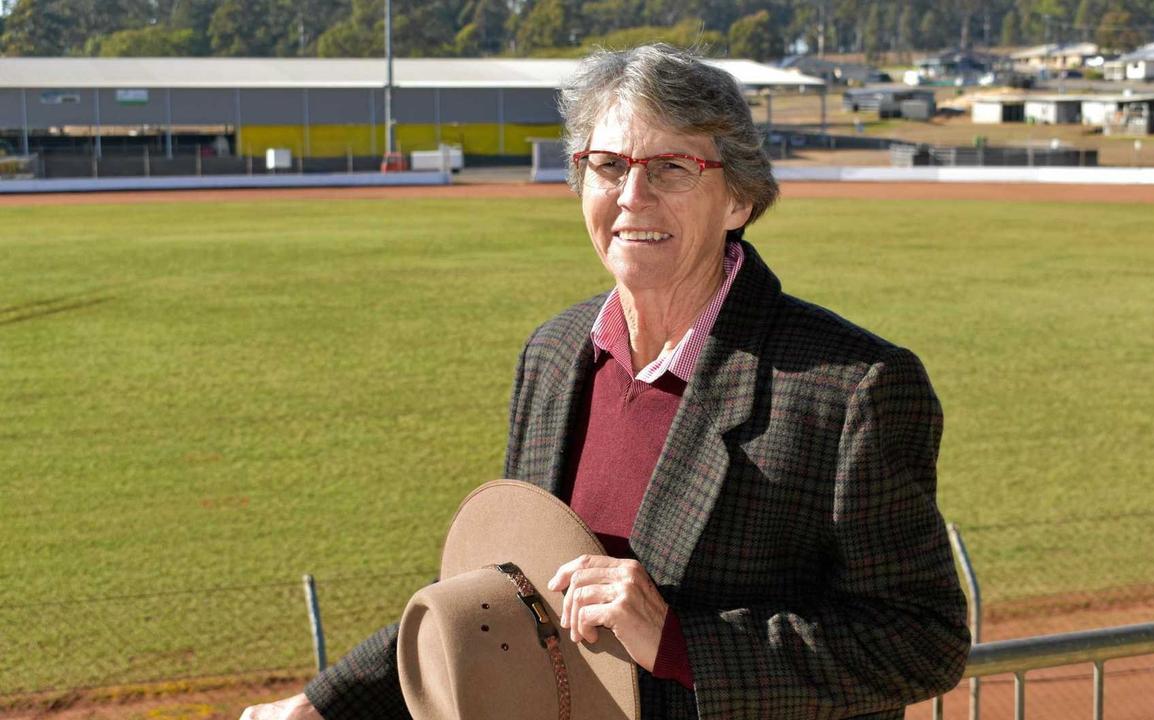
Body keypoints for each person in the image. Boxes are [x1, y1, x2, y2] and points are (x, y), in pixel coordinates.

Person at [243, 44, 969, 720]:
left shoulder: (850, 389)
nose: (632, 196)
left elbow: (921, 642)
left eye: (673, 168)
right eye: (608, 165)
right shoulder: (556, 354)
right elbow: (513, 590)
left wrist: (679, 641)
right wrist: (322, 705)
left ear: (740, 201)